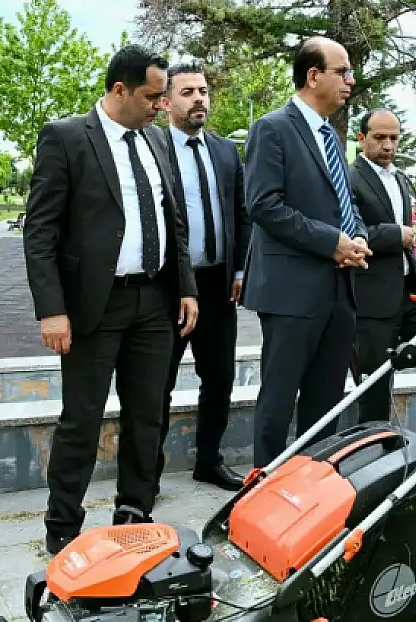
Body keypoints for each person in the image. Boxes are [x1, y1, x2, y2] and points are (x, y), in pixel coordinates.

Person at [22, 44, 199, 555]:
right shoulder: (67, 137)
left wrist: (185, 286)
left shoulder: (159, 142)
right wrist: (51, 309)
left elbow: (174, 222)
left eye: (164, 96)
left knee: (148, 416)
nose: (160, 105)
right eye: (151, 96)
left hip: (155, 302)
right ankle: (62, 528)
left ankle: (134, 514)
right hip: (92, 306)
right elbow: (41, 232)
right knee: (82, 419)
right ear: (119, 90)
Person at [240, 36, 370, 467]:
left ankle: (311, 490)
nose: (351, 80)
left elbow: (342, 201)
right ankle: (264, 494)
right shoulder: (273, 128)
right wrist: (330, 242)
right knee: (279, 399)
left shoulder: (331, 136)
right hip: (291, 291)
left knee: (326, 401)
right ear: (313, 76)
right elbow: (263, 204)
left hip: (339, 290)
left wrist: (358, 236)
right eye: (343, 71)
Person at [155, 61, 250, 492]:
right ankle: (146, 474)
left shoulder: (226, 152)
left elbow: (242, 214)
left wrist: (242, 267)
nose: (199, 99)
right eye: (188, 92)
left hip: (217, 285)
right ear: (166, 101)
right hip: (169, 288)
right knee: (158, 383)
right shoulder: (152, 149)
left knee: (220, 378)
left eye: (204, 91)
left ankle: (209, 461)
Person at [348, 108, 416, 424]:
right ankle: (374, 457)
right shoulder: (350, 178)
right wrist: (396, 235)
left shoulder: (399, 178)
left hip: (407, 293)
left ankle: (382, 363)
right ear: (362, 138)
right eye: (380, 138)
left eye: (394, 138)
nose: (389, 145)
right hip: (371, 298)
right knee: (374, 396)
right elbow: (351, 231)